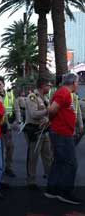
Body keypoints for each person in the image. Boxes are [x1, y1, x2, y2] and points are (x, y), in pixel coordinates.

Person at [44, 73, 82, 205]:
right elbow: (52, 110)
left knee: (59, 162)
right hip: (62, 133)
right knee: (71, 163)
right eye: (77, 82)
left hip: (61, 132)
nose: (78, 84)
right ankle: (65, 193)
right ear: (73, 82)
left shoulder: (64, 93)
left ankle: (52, 190)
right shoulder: (63, 93)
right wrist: (50, 114)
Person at [24, 78, 52, 190]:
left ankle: (50, 178)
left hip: (44, 130)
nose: (50, 88)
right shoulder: (32, 97)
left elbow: (48, 113)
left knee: (48, 155)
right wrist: (48, 111)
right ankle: (31, 180)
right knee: (33, 156)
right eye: (49, 85)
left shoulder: (45, 97)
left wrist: (47, 118)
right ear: (43, 86)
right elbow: (34, 114)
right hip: (34, 130)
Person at [0, 76, 20, 178]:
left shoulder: (10, 95)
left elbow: (16, 110)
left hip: (8, 127)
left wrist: (18, 121)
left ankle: (8, 168)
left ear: (3, 85)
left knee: (10, 148)